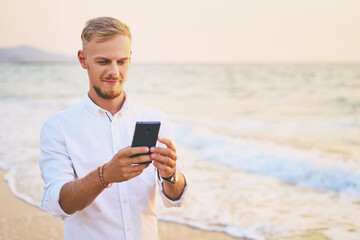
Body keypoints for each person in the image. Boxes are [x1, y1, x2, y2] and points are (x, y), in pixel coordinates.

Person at [39, 16, 190, 240]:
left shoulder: (155, 119)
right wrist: (104, 176)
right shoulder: (58, 126)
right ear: (83, 60)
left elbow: (174, 198)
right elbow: (58, 204)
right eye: (103, 62)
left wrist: (170, 175)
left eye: (121, 61)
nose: (114, 72)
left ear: (130, 59)